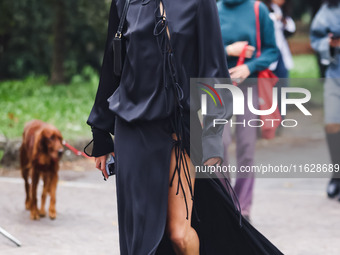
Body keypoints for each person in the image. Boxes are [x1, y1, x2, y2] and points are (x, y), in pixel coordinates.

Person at [86, 0, 283, 254]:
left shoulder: (200, 3)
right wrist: (100, 133)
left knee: (179, 234)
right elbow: (112, 66)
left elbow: (214, 70)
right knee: (140, 235)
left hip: (178, 129)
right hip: (131, 130)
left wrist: (212, 138)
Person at [217, 0, 279, 221]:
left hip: (248, 87)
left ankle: (242, 210)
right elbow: (199, 48)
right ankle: (223, 204)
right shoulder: (213, 9)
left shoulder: (257, 9)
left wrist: (249, 67)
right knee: (218, 145)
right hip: (218, 86)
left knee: (246, 147)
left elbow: (272, 51)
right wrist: (227, 50)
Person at [310, 0, 340, 200]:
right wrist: (329, 43)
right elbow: (316, 38)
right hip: (335, 75)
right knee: (332, 123)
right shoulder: (327, 10)